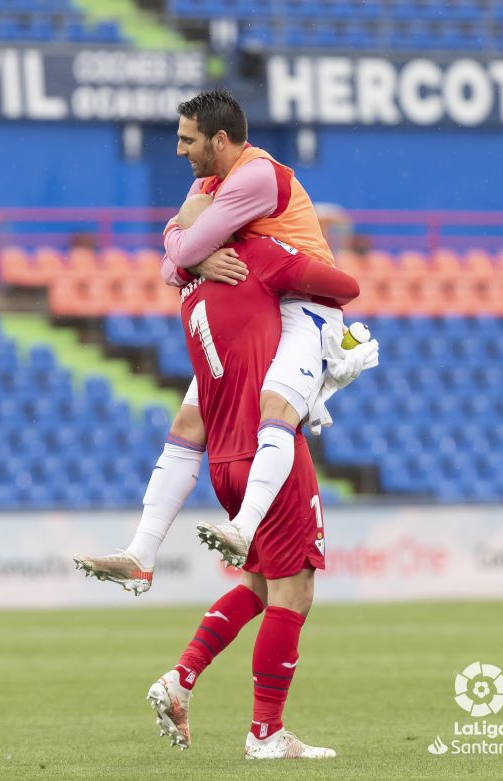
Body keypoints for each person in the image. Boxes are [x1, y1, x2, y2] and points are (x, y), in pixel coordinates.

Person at [74, 90, 373, 594]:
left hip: (304, 307)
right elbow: (171, 264)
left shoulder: (256, 174)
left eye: (186, 139)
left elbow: (184, 246)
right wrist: (193, 254)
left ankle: (244, 526)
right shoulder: (212, 181)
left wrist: (192, 250)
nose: (177, 150)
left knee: (275, 405)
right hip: (261, 304)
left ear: (220, 138)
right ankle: (141, 554)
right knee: (189, 420)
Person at [145, 194, 362, 759]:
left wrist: (183, 255)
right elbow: (344, 285)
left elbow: (188, 418)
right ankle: (266, 732)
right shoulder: (259, 261)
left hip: (225, 455)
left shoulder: (197, 294)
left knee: (260, 584)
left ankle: (181, 677)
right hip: (270, 448)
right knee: (297, 587)